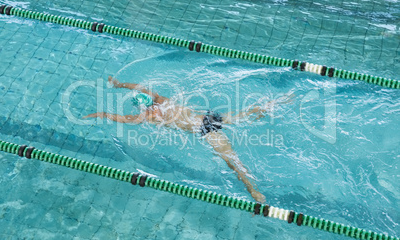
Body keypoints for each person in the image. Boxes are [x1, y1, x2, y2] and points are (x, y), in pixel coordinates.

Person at [84, 76, 293, 203]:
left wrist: (100, 114)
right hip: (209, 117)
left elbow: (123, 118)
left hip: (205, 130)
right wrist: (120, 84)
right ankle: (278, 102)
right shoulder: (161, 100)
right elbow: (139, 88)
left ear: (143, 107)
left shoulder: (148, 116)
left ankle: (254, 191)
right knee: (245, 114)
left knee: (233, 162)